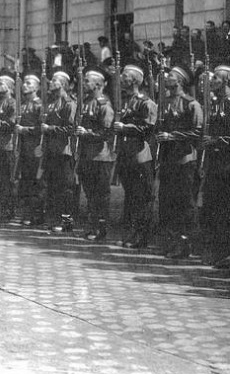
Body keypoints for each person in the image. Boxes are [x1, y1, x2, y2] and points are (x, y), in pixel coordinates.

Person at [155, 65, 202, 259]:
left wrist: (172, 136)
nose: (167, 78)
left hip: (184, 159)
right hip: (168, 159)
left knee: (184, 203)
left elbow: (198, 133)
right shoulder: (164, 102)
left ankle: (186, 243)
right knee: (167, 201)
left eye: (171, 76)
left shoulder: (191, 104)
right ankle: (172, 240)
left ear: (180, 81)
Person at [114, 64, 157, 249]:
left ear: (134, 80)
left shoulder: (145, 102)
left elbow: (149, 127)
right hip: (127, 154)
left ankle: (141, 236)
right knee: (130, 196)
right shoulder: (125, 101)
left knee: (142, 197)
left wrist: (126, 128)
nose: (121, 78)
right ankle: (130, 234)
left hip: (141, 155)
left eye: (125, 75)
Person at [75, 66, 115, 241]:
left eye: (87, 81)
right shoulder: (85, 102)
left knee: (101, 195)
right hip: (87, 155)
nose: (83, 83)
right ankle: (92, 226)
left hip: (101, 156)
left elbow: (106, 133)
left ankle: (101, 228)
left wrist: (87, 133)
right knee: (90, 194)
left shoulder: (103, 104)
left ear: (98, 84)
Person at [41, 69, 77, 232]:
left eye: (55, 80)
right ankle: (55, 218)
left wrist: (50, 128)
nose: (51, 82)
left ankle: (67, 221)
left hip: (64, 151)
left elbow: (70, 128)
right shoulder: (50, 103)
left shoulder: (69, 103)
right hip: (51, 150)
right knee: (53, 186)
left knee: (65, 188)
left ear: (63, 84)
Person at [201, 64, 230, 267]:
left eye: (216, 79)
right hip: (214, 162)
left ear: (226, 81)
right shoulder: (214, 103)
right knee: (213, 207)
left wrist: (216, 141)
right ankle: (218, 252)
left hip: (227, 162)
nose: (212, 82)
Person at [15, 71, 43, 225]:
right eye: (24, 83)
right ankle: (27, 213)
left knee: (35, 182)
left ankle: (36, 214)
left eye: (28, 83)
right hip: (24, 149)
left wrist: (24, 130)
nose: (24, 86)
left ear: (36, 87)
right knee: (25, 181)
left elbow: (40, 128)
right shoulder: (23, 105)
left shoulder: (39, 105)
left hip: (35, 148)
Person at [0, 69, 17, 220]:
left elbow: (12, 123)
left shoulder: (12, 102)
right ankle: (1, 207)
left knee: (8, 179)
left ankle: (9, 209)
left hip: (8, 145)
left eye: (1, 84)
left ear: (9, 86)